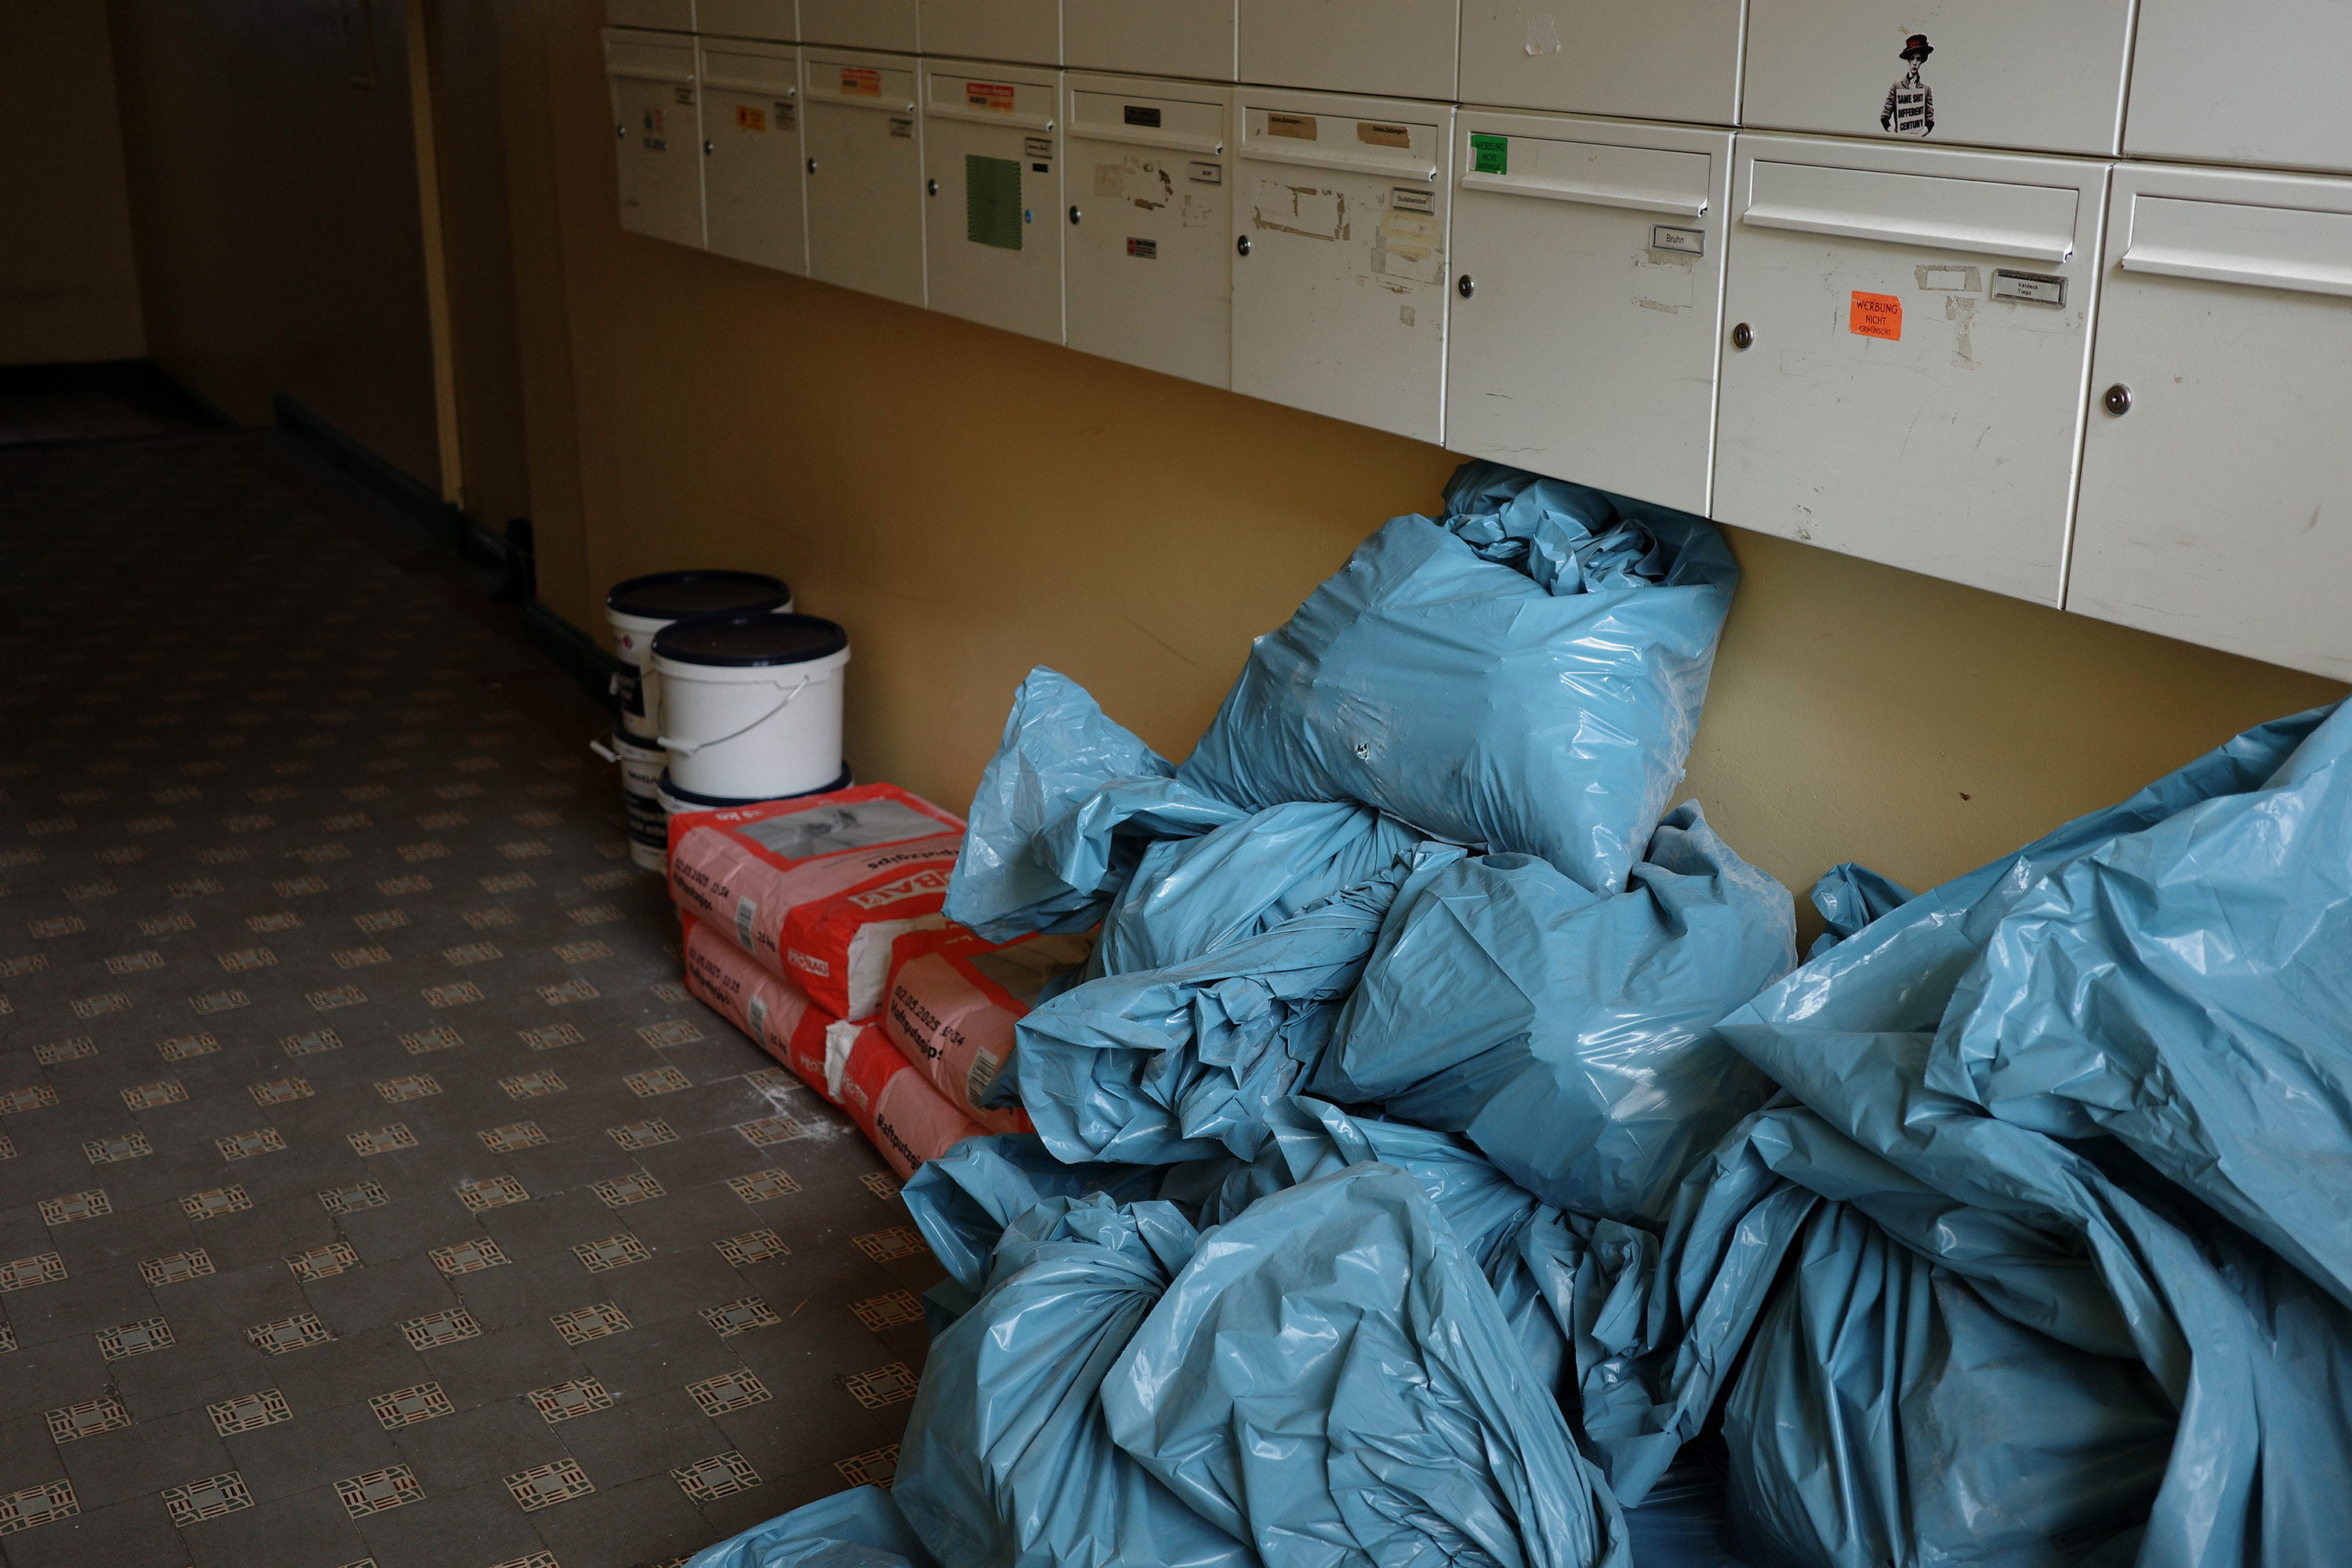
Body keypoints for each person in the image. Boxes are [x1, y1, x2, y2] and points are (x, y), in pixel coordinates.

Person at [1881, 34, 1934, 137]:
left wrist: (1918, 137)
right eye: (1912, 58)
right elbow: (1884, 117)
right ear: (1908, 60)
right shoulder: (1897, 86)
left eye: (1918, 59)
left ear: (1922, 61)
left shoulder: (1926, 89)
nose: (1914, 63)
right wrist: (1896, 136)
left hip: (1918, 143)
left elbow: (1930, 121)